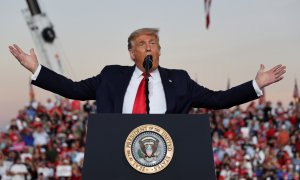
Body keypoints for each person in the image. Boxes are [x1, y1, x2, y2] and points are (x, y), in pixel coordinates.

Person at [9, 28, 286, 114]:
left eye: (153, 43)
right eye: (142, 44)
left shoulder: (179, 79)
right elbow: (73, 89)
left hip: (167, 161)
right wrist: (38, 69)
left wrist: (255, 84)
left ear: (160, 50)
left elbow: (217, 100)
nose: (149, 47)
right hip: (117, 157)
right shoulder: (111, 76)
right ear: (132, 53)